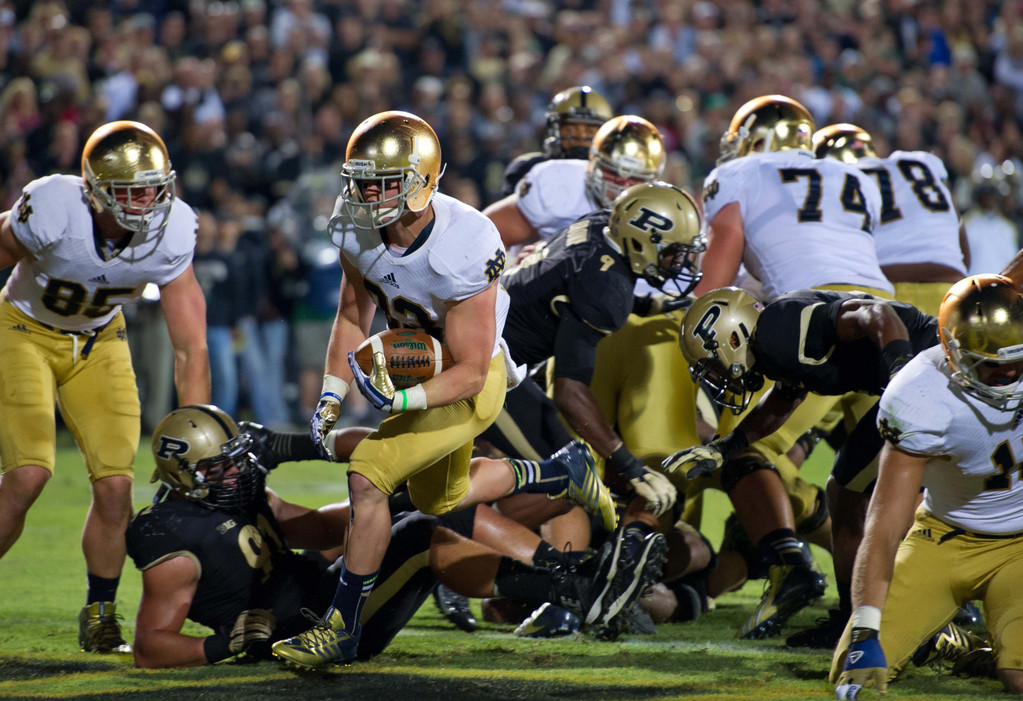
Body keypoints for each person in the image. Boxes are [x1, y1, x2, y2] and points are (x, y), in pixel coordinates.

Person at [272, 110, 616, 670]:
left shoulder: (466, 241)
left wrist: (400, 400)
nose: (364, 194)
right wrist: (333, 390)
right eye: (358, 180)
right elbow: (352, 315)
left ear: (420, 182)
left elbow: (475, 369)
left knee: (369, 475)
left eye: (380, 183)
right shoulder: (354, 226)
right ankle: (561, 471)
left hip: (470, 381)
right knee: (438, 499)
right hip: (427, 375)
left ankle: (340, 628)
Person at [129, 405, 659, 668]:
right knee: (425, 535)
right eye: (224, 468)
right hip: (301, 629)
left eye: (240, 461)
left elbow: (313, 527)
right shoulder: (171, 538)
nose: (241, 474)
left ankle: (573, 577)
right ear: (184, 475)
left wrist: (385, 499)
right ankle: (575, 587)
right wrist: (222, 644)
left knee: (424, 508)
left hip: (319, 592)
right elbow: (150, 647)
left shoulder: (238, 497)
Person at [0, 120, 209, 654]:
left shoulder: (172, 231)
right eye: (130, 191)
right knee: (27, 475)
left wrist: (201, 428)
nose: (145, 203)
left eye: (153, 189)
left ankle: (100, 613)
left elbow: (190, 346)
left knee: (116, 487)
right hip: (21, 330)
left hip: (99, 341)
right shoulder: (53, 207)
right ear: (93, 189)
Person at [666, 285, 939, 645]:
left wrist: (901, 370)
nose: (717, 376)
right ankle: (859, 617)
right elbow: (783, 400)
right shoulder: (773, 342)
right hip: (923, 372)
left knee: (865, 492)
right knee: (847, 490)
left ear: (733, 336)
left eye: (714, 363)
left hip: (930, 372)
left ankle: (903, 615)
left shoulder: (782, 327)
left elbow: (877, 314)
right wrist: (726, 447)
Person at [831, 274, 1023, 698]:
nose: (1008, 374)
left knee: (1018, 677)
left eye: (1017, 361)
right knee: (854, 671)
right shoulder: (920, 394)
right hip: (941, 539)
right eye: (991, 363)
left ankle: (992, 653)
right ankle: (962, 648)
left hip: (1020, 546)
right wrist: (865, 629)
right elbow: (883, 526)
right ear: (953, 352)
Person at [812, 123, 968, 317]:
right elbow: (958, 228)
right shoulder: (923, 161)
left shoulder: (836, 178)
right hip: (954, 289)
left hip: (890, 291)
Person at [485, 114, 666, 253]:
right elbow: (486, 236)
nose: (621, 183)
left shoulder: (665, 215)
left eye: (634, 177)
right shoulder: (559, 181)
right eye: (612, 171)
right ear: (593, 162)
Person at [501, 85, 613, 197]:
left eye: (590, 131)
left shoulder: (616, 177)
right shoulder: (527, 169)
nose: (580, 137)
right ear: (554, 130)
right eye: (570, 130)